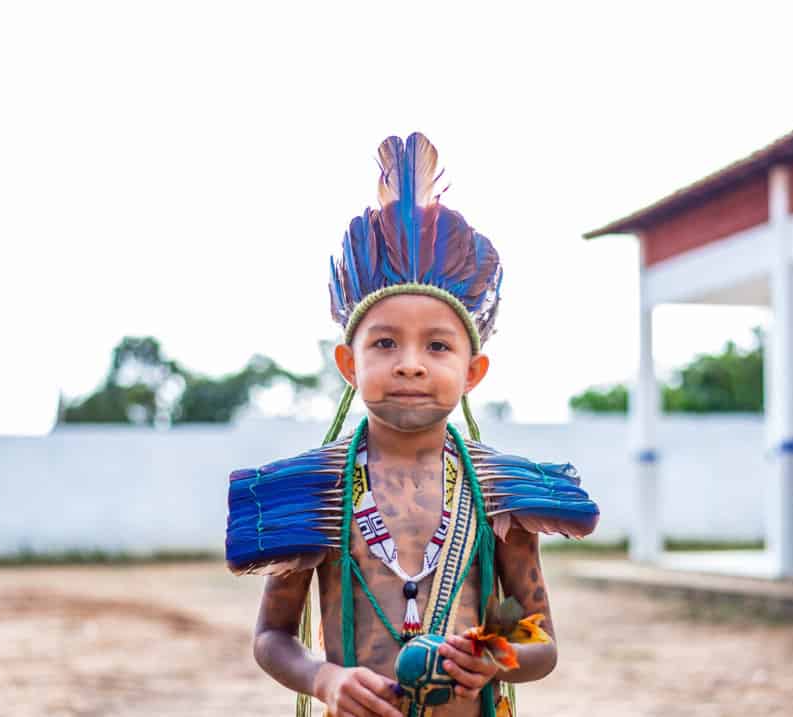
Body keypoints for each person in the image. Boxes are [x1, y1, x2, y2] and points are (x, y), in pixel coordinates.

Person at [226, 133, 599, 717]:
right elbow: (271, 637)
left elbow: (540, 638)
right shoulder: (314, 491)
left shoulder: (501, 491)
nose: (409, 362)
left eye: (437, 345)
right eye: (383, 342)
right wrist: (325, 681)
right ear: (349, 364)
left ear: (472, 371)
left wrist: (492, 653)